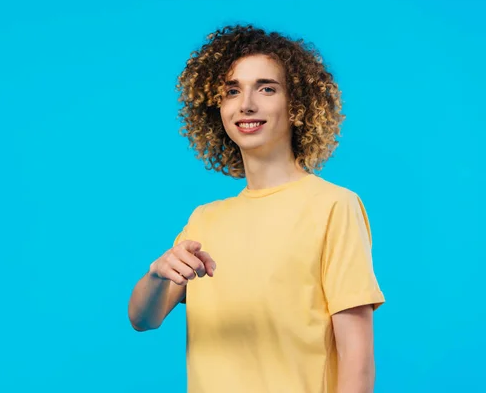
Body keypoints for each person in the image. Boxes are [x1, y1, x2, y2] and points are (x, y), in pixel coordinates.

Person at [128, 24, 385, 393]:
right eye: (232, 91)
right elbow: (142, 319)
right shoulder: (204, 219)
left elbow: (356, 358)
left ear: (297, 104)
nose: (246, 104)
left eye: (266, 88)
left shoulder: (333, 206)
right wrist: (157, 275)